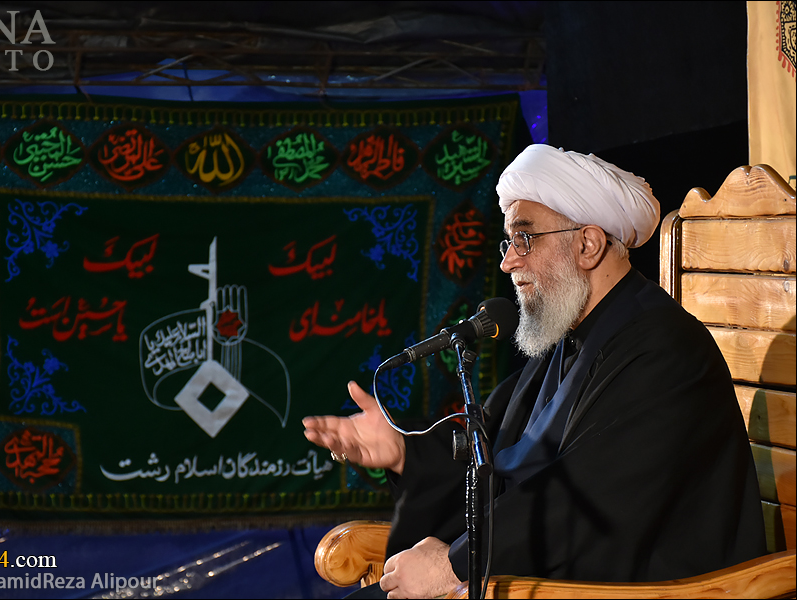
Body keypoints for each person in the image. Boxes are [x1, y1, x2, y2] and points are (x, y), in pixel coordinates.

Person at [303, 144, 767, 599]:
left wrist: (455, 565)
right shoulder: (572, 338)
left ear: (588, 244)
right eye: (508, 242)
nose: (508, 261)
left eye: (524, 238)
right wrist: (405, 452)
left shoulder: (667, 352)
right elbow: (492, 447)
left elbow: (585, 501)